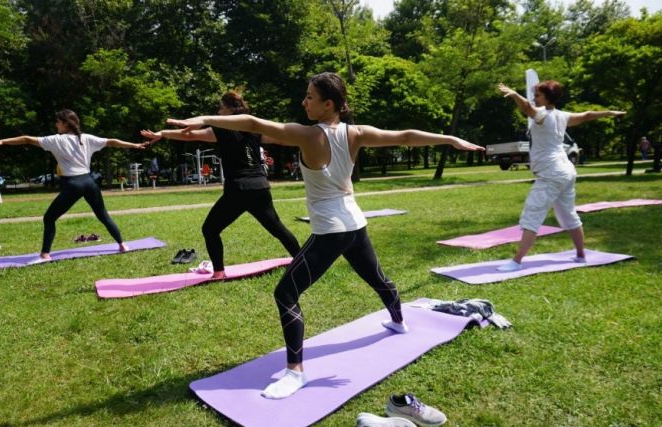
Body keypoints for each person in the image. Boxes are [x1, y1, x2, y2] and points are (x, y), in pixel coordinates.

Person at [167, 72, 484, 399]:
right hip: (355, 224)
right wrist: (449, 139)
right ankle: (399, 321)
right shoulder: (356, 133)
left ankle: (296, 372)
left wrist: (206, 118)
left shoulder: (307, 135)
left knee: (285, 294)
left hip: (331, 231)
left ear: (328, 104)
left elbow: (253, 124)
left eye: (309, 97)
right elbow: (404, 136)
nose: (304, 102)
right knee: (376, 277)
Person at [141, 91, 301, 278]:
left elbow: (191, 136)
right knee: (279, 229)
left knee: (210, 229)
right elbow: (282, 138)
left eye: (221, 107)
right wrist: (307, 139)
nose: (218, 110)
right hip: (260, 187)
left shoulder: (221, 130)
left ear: (231, 110)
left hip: (239, 190)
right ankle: (302, 263)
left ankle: (219, 273)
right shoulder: (255, 130)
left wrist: (163, 133)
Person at [0, 109, 149, 263]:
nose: (56, 125)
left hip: (73, 184)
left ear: (66, 124)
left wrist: (0, 142)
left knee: (49, 218)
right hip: (89, 182)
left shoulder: (56, 140)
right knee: (103, 215)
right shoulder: (86, 138)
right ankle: (122, 245)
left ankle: (45, 255)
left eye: (58, 122)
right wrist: (134, 145)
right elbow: (112, 142)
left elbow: (26, 139)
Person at [496, 81, 625, 272]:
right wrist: (608, 113)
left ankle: (516, 262)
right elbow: (587, 116)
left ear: (548, 98)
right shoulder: (563, 116)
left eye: (538, 95)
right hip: (566, 170)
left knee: (532, 214)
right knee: (568, 214)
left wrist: (514, 94)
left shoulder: (542, 115)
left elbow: (526, 107)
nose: (534, 98)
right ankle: (581, 255)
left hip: (551, 173)